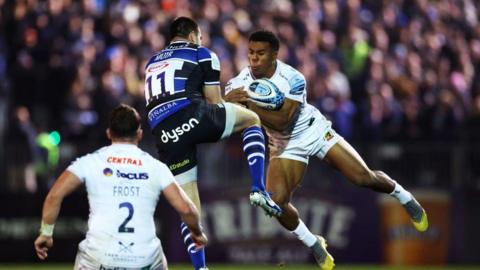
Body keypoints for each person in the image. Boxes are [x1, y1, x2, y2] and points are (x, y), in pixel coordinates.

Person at [225, 30, 429, 270]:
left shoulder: (293, 78)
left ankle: (404, 196)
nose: (254, 59)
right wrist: (228, 103)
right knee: (276, 202)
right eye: (250, 53)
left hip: (313, 130)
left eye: (260, 53)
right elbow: (229, 112)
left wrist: (247, 104)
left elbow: (284, 121)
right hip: (282, 144)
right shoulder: (238, 83)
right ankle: (314, 243)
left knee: (362, 177)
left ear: (274, 55)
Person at [143, 17, 281, 270]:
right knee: (251, 120)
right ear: (194, 35)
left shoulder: (152, 62)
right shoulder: (202, 53)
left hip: (164, 135)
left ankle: (200, 268)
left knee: (190, 209)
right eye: (201, 36)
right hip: (191, 116)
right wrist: (236, 102)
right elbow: (215, 103)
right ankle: (258, 188)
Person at [34, 104, 207, 270]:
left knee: (86, 256)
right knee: (159, 257)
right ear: (139, 134)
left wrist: (46, 233)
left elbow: (54, 195)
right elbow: (186, 209)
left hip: (99, 259)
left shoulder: (90, 162)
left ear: (109, 133)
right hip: (144, 261)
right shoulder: (156, 167)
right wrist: (197, 233)